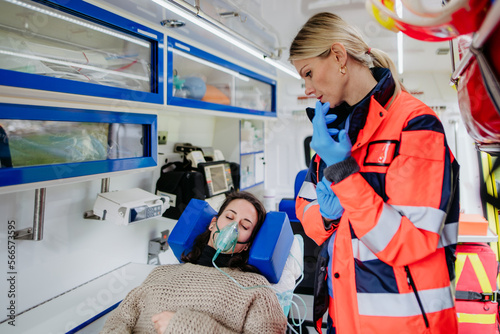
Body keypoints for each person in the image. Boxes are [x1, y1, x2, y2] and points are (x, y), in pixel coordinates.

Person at [290, 12, 460, 334]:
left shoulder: (415, 125)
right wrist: (327, 217)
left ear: (339, 56)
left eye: (309, 73)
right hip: (344, 317)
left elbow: (409, 242)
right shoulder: (333, 138)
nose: (308, 88)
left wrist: (343, 174)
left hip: (407, 323)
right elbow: (306, 208)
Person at [100, 191, 287, 334]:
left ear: (247, 244)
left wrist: (187, 326)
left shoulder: (255, 290)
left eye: (245, 226)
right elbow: (119, 320)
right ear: (213, 223)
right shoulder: (160, 274)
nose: (232, 228)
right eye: (229, 217)